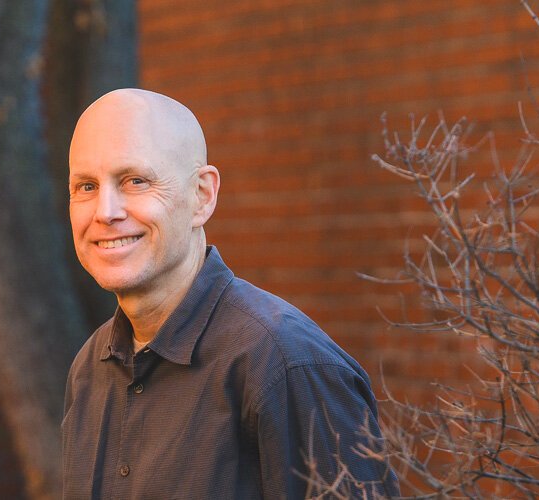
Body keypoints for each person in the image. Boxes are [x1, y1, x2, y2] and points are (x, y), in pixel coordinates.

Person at [60, 89, 398, 498]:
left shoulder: (285, 364)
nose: (105, 211)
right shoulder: (89, 369)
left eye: (135, 181)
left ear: (202, 196)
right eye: (86, 186)